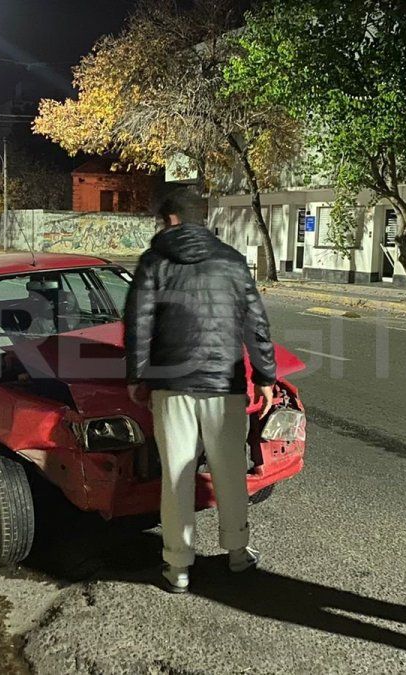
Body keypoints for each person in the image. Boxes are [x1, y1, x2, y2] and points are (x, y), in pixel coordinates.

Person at [124, 188, 277, 594]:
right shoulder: (231, 261)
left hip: (171, 385)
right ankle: (238, 553)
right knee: (229, 470)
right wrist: (264, 376)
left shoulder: (153, 262)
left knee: (177, 473)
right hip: (224, 385)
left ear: (172, 219)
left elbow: (138, 322)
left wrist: (137, 376)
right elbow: (256, 323)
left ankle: (178, 568)